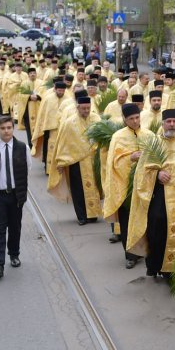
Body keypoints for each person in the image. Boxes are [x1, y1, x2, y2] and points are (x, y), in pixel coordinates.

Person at [126, 108, 175, 278]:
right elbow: (141, 172)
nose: (172, 124)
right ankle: (154, 265)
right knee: (156, 229)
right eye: (168, 121)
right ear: (163, 124)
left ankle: (172, 269)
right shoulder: (153, 143)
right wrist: (157, 174)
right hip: (159, 194)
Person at [0, 116, 30, 281]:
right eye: (3, 128)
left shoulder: (22, 148)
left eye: (9, 128)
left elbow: (26, 167)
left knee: (15, 227)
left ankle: (14, 254)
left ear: (13, 129)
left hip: (16, 195)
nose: (6, 131)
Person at [47, 93, 102, 225]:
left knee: (93, 187)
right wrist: (60, 161)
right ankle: (82, 216)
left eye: (88, 108)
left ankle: (93, 214)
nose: (86, 111)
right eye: (83, 108)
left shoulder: (96, 120)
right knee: (78, 190)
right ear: (77, 108)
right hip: (75, 162)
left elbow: (102, 141)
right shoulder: (69, 123)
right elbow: (63, 143)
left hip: (93, 160)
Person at [102, 103, 145, 269]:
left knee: (143, 219)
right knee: (127, 221)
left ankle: (143, 249)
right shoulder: (118, 137)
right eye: (131, 119)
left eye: (137, 117)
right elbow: (113, 162)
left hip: (145, 185)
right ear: (125, 120)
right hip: (126, 186)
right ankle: (130, 255)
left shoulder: (148, 134)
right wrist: (131, 157)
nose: (135, 121)